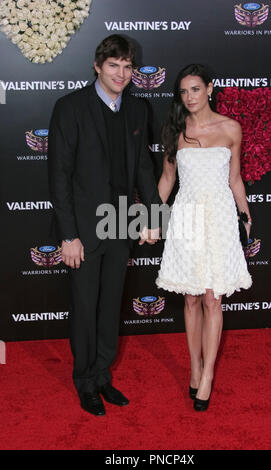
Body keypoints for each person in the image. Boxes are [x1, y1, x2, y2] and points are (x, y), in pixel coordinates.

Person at [48, 35, 161, 416]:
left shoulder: (137, 110)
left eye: (128, 67)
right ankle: (84, 382)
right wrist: (68, 236)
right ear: (98, 66)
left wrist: (151, 217)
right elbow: (59, 176)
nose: (122, 74)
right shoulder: (70, 107)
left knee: (110, 306)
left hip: (121, 224)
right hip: (83, 228)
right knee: (84, 306)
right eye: (114, 65)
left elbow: (144, 168)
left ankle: (102, 376)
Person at [156, 64, 252, 411]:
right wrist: (152, 216)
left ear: (210, 89)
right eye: (183, 92)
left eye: (195, 89)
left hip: (221, 219)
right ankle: (194, 366)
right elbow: (167, 180)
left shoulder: (230, 128)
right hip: (187, 218)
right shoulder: (176, 131)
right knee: (192, 299)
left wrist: (245, 213)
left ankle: (208, 373)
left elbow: (235, 178)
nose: (189, 97)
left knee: (213, 299)